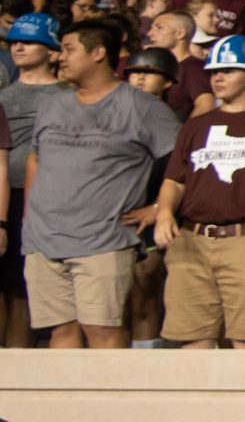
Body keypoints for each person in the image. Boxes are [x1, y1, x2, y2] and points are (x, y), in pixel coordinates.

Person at [22, 21, 182, 349]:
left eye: (69, 50)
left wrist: (159, 209)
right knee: (60, 331)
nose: (59, 58)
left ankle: (114, 400)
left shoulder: (143, 107)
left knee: (102, 330)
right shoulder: (52, 104)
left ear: (98, 53)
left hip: (103, 239)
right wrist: (29, 215)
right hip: (43, 238)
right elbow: (35, 159)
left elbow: (190, 162)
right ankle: (66, 401)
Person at [152, 35, 245, 348]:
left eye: (229, 70)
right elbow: (174, 181)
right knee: (192, 341)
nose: (218, 77)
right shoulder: (195, 126)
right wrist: (164, 213)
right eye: (214, 71)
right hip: (191, 240)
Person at [1, 13, 67, 347]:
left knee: (24, 286)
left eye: (29, 41)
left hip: (43, 199)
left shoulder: (66, 94)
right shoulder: (3, 92)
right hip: (2, 198)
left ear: (53, 51)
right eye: (14, 41)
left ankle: (19, 360)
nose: (19, 46)